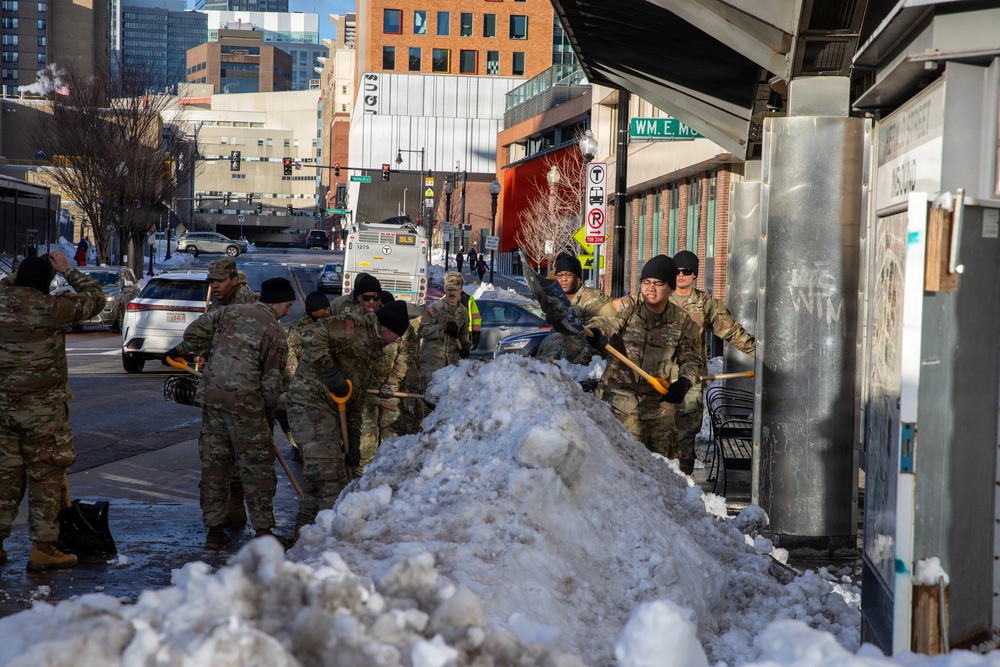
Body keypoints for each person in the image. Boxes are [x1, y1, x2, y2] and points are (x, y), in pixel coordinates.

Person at [166, 277, 294, 549]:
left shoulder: (228, 312)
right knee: (257, 468)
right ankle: (263, 532)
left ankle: (214, 531)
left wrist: (191, 351)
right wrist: (269, 415)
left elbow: (194, 334)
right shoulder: (275, 331)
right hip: (246, 405)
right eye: (288, 306)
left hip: (212, 398)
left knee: (215, 465)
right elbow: (272, 384)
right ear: (278, 302)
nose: (289, 312)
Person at [0, 252, 106, 570]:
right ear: (46, 283)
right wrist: (69, 270)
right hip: (43, 412)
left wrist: (16, 278)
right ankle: (43, 548)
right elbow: (95, 299)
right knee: (46, 475)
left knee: (5, 476)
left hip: (3, 410)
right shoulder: (50, 308)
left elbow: (10, 287)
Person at [287, 299, 410, 540]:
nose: (396, 342)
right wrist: (331, 374)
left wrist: (353, 438)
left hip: (332, 410)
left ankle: (302, 540)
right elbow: (312, 336)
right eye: (397, 336)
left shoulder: (373, 353)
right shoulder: (354, 328)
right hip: (309, 403)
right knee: (332, 480)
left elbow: (355, 400)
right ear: (388, 329)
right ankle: (329, 542)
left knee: (316, 483)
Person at [586, 255, 702, 463]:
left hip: (659, 406)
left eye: (659, 283)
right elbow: (605, 320)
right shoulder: (628, 307)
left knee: (660, 468)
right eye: (646, 282)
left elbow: (692, 358)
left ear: (671, 288)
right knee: (619, 464)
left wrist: (684, 383)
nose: (651, 289)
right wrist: (596, 332)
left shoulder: (682, 321)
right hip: (619, 400)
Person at [670, 250, 756, 475]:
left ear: (694, 275)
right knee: (660, 437)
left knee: (685, 438)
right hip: (660, 378)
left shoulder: (705, 304)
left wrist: (759, 353)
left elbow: (731, 331)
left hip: (690, 382)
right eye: (677, 271)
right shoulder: (660, 299)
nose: (680, 276)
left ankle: (683, 484)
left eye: (686, 271)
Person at [204, 258, 259, 526]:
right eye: (212, 281)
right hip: (217, 391)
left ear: (234, 280)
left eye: (219, 281)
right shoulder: (220, 302)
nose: (214, 286)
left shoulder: (246, 305)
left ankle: (242, 514)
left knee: (244, 460)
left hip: (242, 395)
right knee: (215, 457)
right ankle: (218, 520)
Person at [537, 254, 616, 364]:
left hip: (586, 369)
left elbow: (596, 341)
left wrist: (577, 367)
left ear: (578, 277)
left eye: (568, 275)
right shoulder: (560, 300)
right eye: (559, 276)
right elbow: (557, 334)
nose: (563, 279)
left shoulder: (592, 300)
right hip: (566, 365)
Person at [284, 291, 331, 461]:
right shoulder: (298, 329)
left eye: (327, 308)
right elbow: (290, 357)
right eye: (322, 309)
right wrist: (296, 382)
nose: (326, 311)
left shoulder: (327, 324)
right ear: (312, 310)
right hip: (303, 383)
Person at [417, 272, 470, 387]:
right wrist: (443, 327)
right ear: (445, 289)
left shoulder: (463, 312)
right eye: (449, 289)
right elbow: (422, 330)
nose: (452, 293)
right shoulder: (435, 308)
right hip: (432, 366)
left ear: (461, 289)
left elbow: (464, 335)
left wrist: (465, 346)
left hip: (452, 367)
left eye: (455, 289)